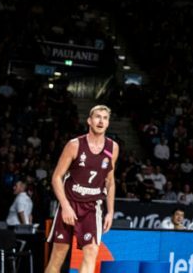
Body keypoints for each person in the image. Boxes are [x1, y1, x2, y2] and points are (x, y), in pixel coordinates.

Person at [45, 106, 118, 273]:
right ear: (89, 121)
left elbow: (110, 181)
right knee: (58, 255)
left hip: (92, 207)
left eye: (105, 118)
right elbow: (56, 177)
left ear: (108, 123)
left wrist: (110, 212)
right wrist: (65, 206)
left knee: (91, 252)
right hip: (70, 203)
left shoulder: (113, 148)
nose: (101, 121)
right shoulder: (74, 145)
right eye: (97, 117)